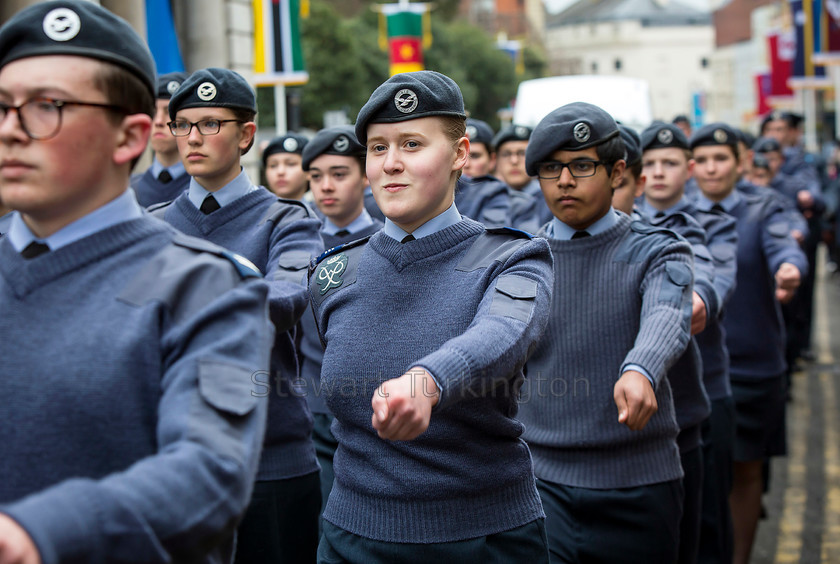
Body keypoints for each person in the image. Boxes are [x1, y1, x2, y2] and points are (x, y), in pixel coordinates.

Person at [0, 2, 271, 562]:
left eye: (47, 107)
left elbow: (210, 473)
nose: (10, 130)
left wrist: (39, 534)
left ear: (131, 137)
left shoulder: (208, 290)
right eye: (1, 107)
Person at [309, 70, 554, 563]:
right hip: (352, 537)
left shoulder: (511, 258)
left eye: (412, 144)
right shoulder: (333, 273)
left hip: (482, 539)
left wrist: (428, 380)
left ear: (460, 153)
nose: (391, 164)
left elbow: (504, 331)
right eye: (377, 149)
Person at [153, 67, 324, 564]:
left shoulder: (287, 219)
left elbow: (286, 298)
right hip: (171, 458)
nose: (192, 137)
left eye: (211, 124)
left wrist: (184, 294)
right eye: (183, 124)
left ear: (247, 134)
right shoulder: (152, 225)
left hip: (270, 457)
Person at [519, 102, 694, 563]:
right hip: (541, 483)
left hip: (639, 485)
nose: (565, 181)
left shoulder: (658, 250)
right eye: (550, 169)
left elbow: (666, 315)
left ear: (618, 172)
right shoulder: (520, 258)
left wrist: (641, 369)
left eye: (581, 165)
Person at [689, 122, 808, 564]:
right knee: (698, 477)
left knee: (744, 470)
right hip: (696, 370)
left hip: (753, 365)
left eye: (721, 159)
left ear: (740, 163)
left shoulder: (764, 207)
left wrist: (790, 269)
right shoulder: (675, 212)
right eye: (702, 160)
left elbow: (785, 246)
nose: (712, 168)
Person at [638, 122, 724, 564]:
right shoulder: (552, 237)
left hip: (685, 398)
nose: (656, 173)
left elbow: (707, 275)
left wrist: (695, 298)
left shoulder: (690, 228)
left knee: (698, 530)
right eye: (647, 163)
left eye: (668, 163)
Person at [298, 124, 383, 517]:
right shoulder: (298, 241)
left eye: (339, 173)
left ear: (366, 176)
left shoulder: (387, 241)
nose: (325, 186)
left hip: (372, 409)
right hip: (313, 408)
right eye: (316, 177)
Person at [130, 71, 190, 207]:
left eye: (169, 112)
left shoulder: (204, 190)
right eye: (153, 111)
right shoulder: (127, 190)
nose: (158, 121)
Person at [262, 132, 310, 200]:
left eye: (291, 164)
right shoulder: (255, 210)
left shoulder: (323, 210)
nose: (280, 172)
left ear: (308, 171)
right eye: (273, 165)